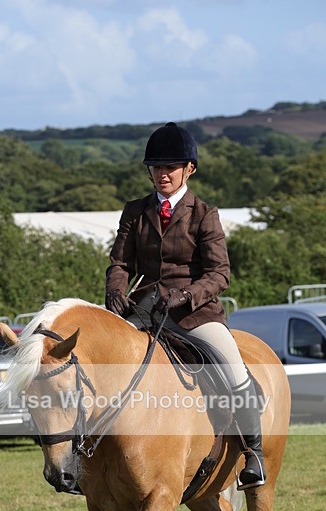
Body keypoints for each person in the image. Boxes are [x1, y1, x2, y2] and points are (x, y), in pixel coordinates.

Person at [105, 122, 265, 489]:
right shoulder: (134, 211)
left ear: (188, 169)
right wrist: (115, 291)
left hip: (195, 314)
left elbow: (220, 273)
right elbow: (120, 263)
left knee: (231, 365)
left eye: (170, 167)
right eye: (156, 167)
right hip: (144, 309)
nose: (162, 174)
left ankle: (253, 453)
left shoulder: (204, 213)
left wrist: (188, 295)